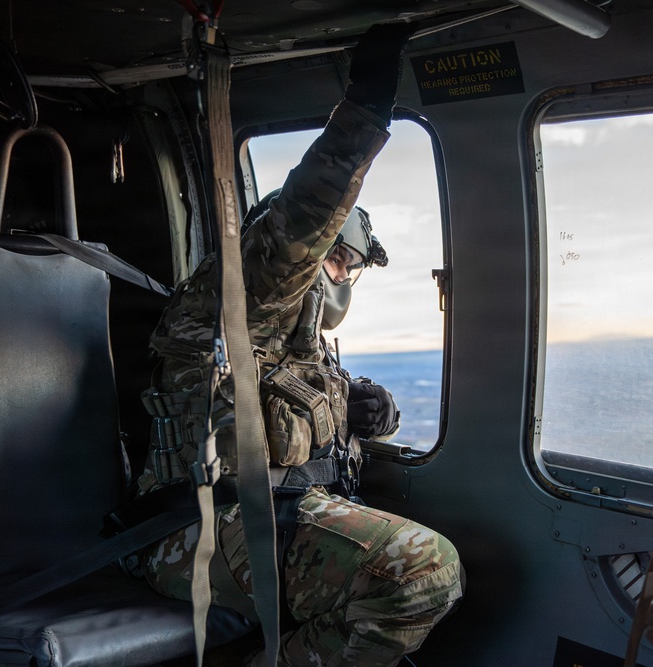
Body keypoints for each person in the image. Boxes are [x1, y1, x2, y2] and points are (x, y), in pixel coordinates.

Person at [136, 23, 463, 667]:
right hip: (192, 526)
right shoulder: (252, 290)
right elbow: (303, 220)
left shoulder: (290, 334)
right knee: (421, 572)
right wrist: (365, 112)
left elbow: (287, 398)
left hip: (263, 511)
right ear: (325, 256)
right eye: (346, 267)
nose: (345, 283)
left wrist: (363, 408)